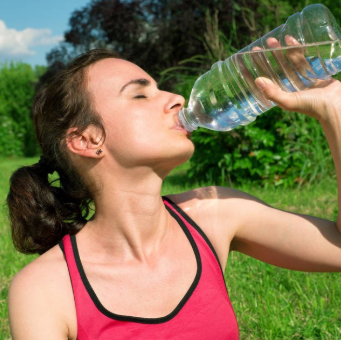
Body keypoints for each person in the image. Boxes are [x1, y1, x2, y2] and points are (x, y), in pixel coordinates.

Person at [7, 48, 341, 340]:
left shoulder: (213, 214)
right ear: (88, 140)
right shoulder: (44, 290)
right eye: (140, 95)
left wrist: (333, 106)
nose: (177, 99)